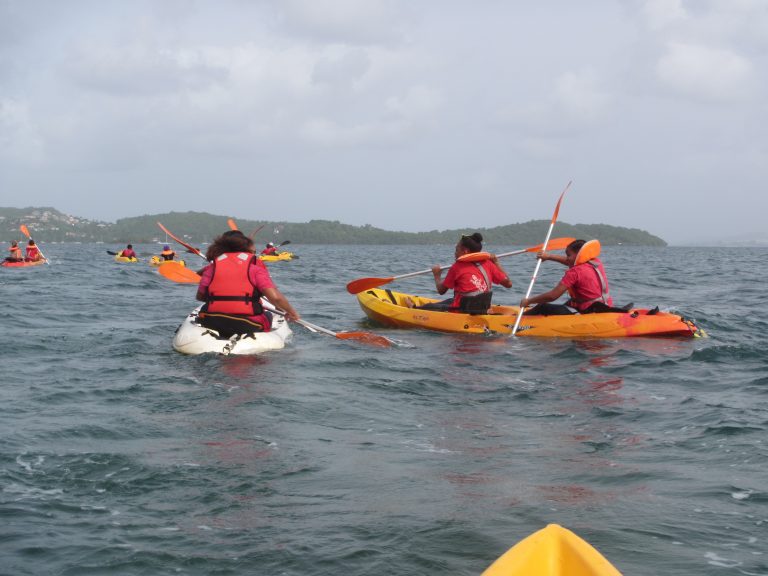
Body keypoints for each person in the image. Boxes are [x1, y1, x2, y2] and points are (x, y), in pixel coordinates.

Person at [196, 230, 299, 336]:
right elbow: (275, 298)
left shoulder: (211, 268)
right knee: (268, 315)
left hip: (213, 320)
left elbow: (200, 296)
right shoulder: (256, 268)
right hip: (247, 323)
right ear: (246, 248)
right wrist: (291, 312)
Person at [408, 232, 512, 313]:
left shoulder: (457, 267)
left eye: (456, 250)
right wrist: (496, 263)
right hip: (482, 308)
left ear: (465, 251)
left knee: (432, 307)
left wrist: (437, 275)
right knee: (450, 300)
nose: (455, 253)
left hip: (462, 311)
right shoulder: (488, 263)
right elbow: (508, 284)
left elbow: (441, 290)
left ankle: (414, 308)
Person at [520, 239, 613, 315]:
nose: (567, 258)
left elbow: (552, 296)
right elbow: (569, 261)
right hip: (604, 306)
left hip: (587, 310)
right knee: (570, 302)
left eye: (568, 255)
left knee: (542, 307)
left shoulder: (574, 272)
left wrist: (528, 301)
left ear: (579, 255)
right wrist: (549, 256)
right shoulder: (596, 262)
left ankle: (520, 320)